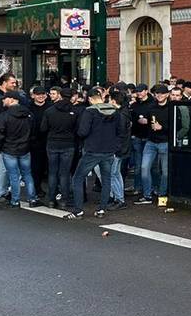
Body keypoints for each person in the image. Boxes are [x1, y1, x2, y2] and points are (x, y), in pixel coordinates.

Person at [66, 88, 127, 219]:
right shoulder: (115, 111)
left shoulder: (89, 112)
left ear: (90, 99)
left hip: (92, 150)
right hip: (109, 151)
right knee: (106, 179)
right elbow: (121, 131)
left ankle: (78, 210)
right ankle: (101, 209)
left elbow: (83, 132)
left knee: (78, 178)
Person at [0, 90, 39, 208]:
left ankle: (15, 200)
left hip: (9, 149)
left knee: (13, 176)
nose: (3, 101)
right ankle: (32, 198)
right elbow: (33, 132)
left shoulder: (4, 116)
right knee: (27, 174)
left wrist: (0, 146)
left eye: (5, 98)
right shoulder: (28, 114)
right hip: (25, 148)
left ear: (11, 99)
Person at [42, 88, 79, 208]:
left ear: (60, 96)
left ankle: (51, 199)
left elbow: (43, 128)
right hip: (68, 144)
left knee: (52, 172)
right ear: (72, 97)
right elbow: (78, 129)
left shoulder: (49, 110)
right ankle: (64, 199)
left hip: (52, 142)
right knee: (65, 173)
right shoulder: (74, 111)